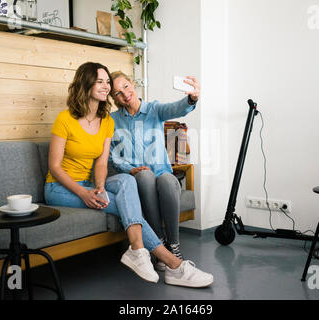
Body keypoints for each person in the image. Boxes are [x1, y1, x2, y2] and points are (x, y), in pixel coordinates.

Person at [44, 62, 213, 288]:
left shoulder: (106, 121)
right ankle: (172, 264)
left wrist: (100, 187)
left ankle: (143, 251)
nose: (108, 87)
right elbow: (55, 167)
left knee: (127, 182)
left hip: (93, 182)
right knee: (133, 196)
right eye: (101, 82)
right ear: (86, 85)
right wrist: (85, 193)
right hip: (60, 187)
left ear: (132, 84)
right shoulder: (68, 119)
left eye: (109, 83)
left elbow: (102, 163)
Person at [109, 71, 199, 271]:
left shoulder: (154, 109)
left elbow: (175, 108)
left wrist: (191, 98)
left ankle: (173, 246)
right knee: (145, 175)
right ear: (114, 98)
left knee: (167, 181)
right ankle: (157, 244)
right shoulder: (113, 120)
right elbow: (112, 156)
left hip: (162, 174)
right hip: (137, 178)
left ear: (132, 83)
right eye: (117, 93)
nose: (124, 94)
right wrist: (131, 169)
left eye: (125, 86)